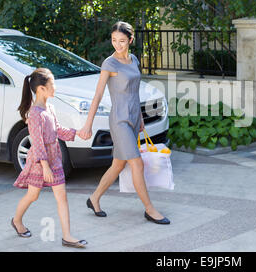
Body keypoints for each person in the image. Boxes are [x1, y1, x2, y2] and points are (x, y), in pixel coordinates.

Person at [79, 21, 170, 224]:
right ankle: (150, 209)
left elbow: (134, 92)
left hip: (133, 118)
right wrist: (88, 125)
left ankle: (94, 199)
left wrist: (140, 119)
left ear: (130, 40)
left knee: (118, 165)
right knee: (136, 164)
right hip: (119, 120)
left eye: (121, 41)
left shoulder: (134, 60)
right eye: (114, 40)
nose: (117, 45)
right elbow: (98, 95)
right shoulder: (109, 64)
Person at [12, 68, 88, 248]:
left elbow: (57, 130)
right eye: (52, 85)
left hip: (55, 159)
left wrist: (77, 133)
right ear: (41, 89)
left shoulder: (50, 108)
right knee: (33, 195)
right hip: (40, 163)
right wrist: (45, 167)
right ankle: (16, 221)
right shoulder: (35, 114)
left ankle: (67, 236)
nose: (55, 88)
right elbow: (37, 144)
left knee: (62, 197)